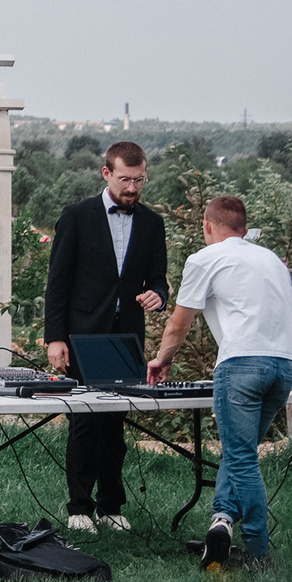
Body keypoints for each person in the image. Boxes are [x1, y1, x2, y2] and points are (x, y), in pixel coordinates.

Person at [148, 195, 292, 571]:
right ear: (244, 228)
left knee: (241, 456)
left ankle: (258, 553)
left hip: (241, 365)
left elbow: (179, 323)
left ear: (207, 226)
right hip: (284, 365)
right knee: (242, 451)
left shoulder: (205, 258)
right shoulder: (271, 260)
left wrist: (162, 359)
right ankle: (221, 520)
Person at [42, 140, 168, 532]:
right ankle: (78, 507)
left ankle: (111, 506)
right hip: (82, 335)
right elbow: (57, 283)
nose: (133, 188)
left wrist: (158, 296)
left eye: (140, 180)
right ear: (107, 174)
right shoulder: (76, 216)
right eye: (126, 179)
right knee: (83, 420)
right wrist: (54, 338)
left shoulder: (152, 223)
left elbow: (160, 279)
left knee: (115, 424)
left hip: (126, 336)